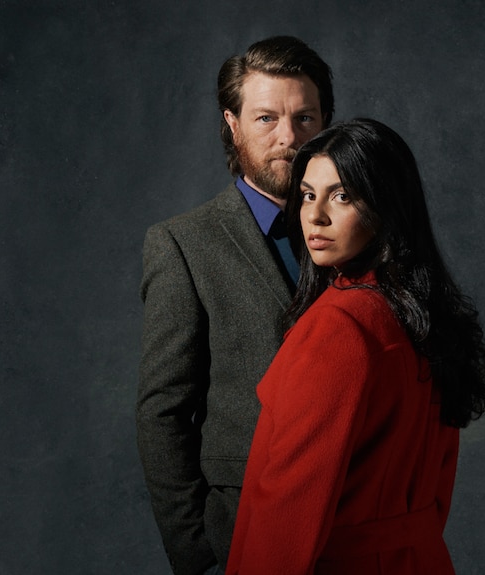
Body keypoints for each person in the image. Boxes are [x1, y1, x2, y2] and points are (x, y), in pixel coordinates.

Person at [225, 119, 485, 574]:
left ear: (385, 206)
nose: (315, 215)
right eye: (308, 194)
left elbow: (288, 507)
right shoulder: (426, 321)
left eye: (342, 196)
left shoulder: (338, 329)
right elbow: (437, 489)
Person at [136, 36, 335, 575]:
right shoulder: (183, 244)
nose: (288, 138)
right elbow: (164, 410)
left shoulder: (364, 236)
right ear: (233, 124)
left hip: (353, 527)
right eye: (267, 118)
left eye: (305, 117)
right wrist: (197, 552)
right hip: (244, 530)